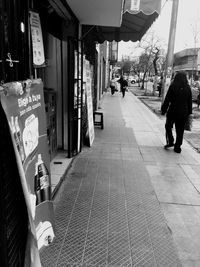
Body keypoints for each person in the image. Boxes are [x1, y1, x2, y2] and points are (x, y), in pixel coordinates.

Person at [161, 71, 192, 153]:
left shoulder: (173, 86)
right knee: (180, 130)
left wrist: (163, 110)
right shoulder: (188, 88)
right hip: (183, 113)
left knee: (168, 126)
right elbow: (189, 102)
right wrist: (189, 113)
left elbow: (167, 99)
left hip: (173, 111)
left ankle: (170, 141)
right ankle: (178, 147)